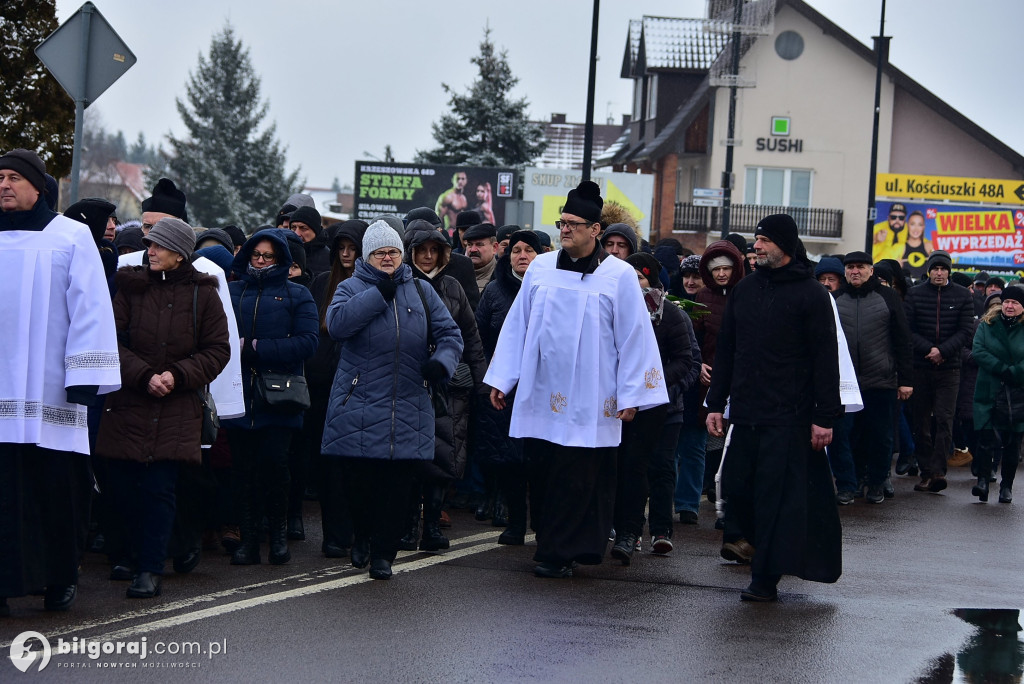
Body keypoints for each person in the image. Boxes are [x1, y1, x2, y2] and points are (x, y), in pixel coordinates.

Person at [483, 181, 668, 579]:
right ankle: (553, 544)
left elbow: (635, 337)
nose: (564, 229)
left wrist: (632, 394)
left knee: (580, 477)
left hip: (591, 397)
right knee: (544, 473)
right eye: (561, 222)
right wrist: (502, 378)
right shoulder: (540, 268)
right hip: (542, 391)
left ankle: (562, 552)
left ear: (595, 230)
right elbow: (518, 325)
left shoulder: (618, 276)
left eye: (572, 223)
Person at [0, 149, 121, 616]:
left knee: (55, 491)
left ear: (37, 185)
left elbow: (90, 307)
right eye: (0, 177)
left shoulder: (69, 236)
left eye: (14, 177)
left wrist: (85, 379)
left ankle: (59, 580)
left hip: (51, 391)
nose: (5, 184)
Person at [706, 213, 842, 602]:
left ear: (784, 245)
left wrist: (824, 417)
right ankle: (750, 549)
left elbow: (825, 360)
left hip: (790, 417)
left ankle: (765, 577)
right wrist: (715, 403)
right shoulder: (745, 290)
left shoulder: (812, 294)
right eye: (756, 239)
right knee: (738, 488)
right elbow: (727, 352)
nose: (756, 246)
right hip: (746, 412)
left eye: (763, 240)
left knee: (776, 498)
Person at [96, 218, 230, 598]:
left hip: (176, 407)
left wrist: (177, 375)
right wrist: (142, 375)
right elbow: (110, 340)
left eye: (158, 246)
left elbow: (218, 349)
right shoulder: (130, 286)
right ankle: (127, 554)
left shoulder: (203, 294)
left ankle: (150, 569)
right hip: (128, 404)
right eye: (149, 245)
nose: (149, 251)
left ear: (179, 254)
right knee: (122, 488)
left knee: (159, 489)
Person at [321, 221, 463, 580]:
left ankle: (384, 554)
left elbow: (450, 334)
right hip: (360, 401)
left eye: (394, 252)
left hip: (410, 403)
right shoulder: (350, 287)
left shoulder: (421, 290)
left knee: (399, 489)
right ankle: (363, 539)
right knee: (360, 485)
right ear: (367, 257)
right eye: (380, 253)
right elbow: (336, 325)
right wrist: (379, 293)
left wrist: (441, 363)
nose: (388, 258)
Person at [224, 229, 319, 566]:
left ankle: (278, 535)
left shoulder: (298, 295)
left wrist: (254, 348)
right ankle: (249, 540)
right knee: (244, 471)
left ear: (281, 260)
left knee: (276, 467)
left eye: (269, 256)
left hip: (279, 396)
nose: (261, 261)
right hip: (237, 395)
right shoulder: (232, 291)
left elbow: (308, 342)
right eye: (256, 255)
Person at [402, 220, 487, 550]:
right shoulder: (402, 283)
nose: (426, 256)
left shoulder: (453, 286)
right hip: (411, 381)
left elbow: (471, 337)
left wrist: (482, 381)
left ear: (443, 253)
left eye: (433, 250)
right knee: (411, 457)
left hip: (451, 384)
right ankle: (409, 524)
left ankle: (433, 524)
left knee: (444, 456)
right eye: (421, 250)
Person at [613, 252, 694, 559]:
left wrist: (652, 384)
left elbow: (686, 359)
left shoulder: (670, 314)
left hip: (662, 407)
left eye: (640, 277)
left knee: (658, 468)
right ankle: (626, 532)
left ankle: (660, 530)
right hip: (621, 406)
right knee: (627, 467)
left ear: (652, 281)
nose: (634, 283)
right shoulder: (614, 309)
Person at [475, 230, 542, 545]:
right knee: (509, 459)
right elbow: (482, 338)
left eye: (529, 249)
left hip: (543, 388)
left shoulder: (549, 289)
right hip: (505, 390)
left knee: (540, 461)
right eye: (516, 250)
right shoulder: (494, 291)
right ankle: (516, 523)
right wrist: (495, 376)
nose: (522, 255)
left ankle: (542, 523)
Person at [306, 220, 367, 558]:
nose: (345, 254)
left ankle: (357, 533)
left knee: (354, 465)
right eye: (340, 248)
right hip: (321, 387)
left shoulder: (371, 286)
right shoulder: (321, 283)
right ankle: (334, 535)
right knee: (327, 465)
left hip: (356, 387)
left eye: (352, 247)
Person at [832, 251, 913, 504]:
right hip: (845, 383)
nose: (855, 271)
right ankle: (848, 484)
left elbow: (902, 339)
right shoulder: (835, 299)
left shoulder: (887, 297)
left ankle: (876, 482)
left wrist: (905, 379)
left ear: (871, 270)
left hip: (881, 379)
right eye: (850, 267)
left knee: (880, 435)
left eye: (860, 267)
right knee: (843, 435)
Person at [903, 250, 975, 492]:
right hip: (920, 366)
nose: (939, 273)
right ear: (929, 270)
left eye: (943, 269)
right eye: (935, 268)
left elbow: (965, 331)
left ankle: (937, 471)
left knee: (945, 419)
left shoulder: (963, 295)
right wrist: (929, 350)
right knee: (920, 420)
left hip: (950, 368)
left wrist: (942, 351)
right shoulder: (914, 294)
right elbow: (908, 330)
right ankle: (925, 471)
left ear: (949, 271)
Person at [693, 240, 745, 503]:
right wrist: (698, 364)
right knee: (713, 429)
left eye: (726, 268)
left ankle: (730, 484)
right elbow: (694, 338)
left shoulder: (746, 293)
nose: (722, 274)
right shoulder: (702, 297)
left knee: (736, 431)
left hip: (742, 375)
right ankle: (712, 484)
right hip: (711, 374)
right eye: (716, 269)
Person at [970, 286, 1024, 504]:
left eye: (1015, 303)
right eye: (1007, 302)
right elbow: (978, 350)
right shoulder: (988, 324)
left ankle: (1006, 487)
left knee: (1012, 440)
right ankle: (982, 480)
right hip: (989, 387)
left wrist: (1015, 372)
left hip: (1017, 391)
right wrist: (1002, 368)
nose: (1009, 306)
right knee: (985, 437)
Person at [404, 206, 480, 310]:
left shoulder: (462, 265)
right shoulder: (401, 269)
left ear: (440, 231)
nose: (428, 255)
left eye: (435, 231)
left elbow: (472, 312)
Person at [463, 222, 499, 294]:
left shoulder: (503, 279)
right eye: (470, 244)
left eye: (479, 244)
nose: (473, 250)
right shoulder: (456, 275)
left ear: (494, 247)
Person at [902, 211, 933, 278]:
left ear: (923, 227)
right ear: (907, 225)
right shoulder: (900, 247)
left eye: (920, 224)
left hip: (924, 286)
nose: (916, 229)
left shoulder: (929, 246)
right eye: (912, 224)